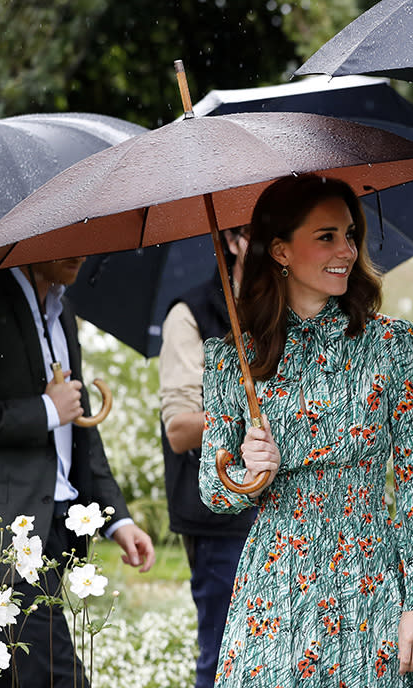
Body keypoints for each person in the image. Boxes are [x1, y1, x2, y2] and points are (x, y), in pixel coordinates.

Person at [198, 174, 413, 687]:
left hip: (371, 582)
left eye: (351, 235)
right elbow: (213, 492)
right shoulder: (233, 359)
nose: (347, 250)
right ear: (282, 250)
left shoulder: (390, 343)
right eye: (327, 236)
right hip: (275, 591)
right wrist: (249, 472)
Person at [0, 258, 156, 687]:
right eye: (66, 233)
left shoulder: (64, 313)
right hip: (3, 538)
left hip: (56, 528)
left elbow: (81, 436)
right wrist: (44, 409)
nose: (80, 251)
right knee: (59, 677)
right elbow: (54, 413)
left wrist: (119, 519)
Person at [159, 227, 255, 688]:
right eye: (261, 234)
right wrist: (249, 410)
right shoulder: (191, 314)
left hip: (294, 511)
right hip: (220, 517)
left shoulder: (304, 311)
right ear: (234, 240)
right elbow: (178, 430)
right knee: (226, 659)